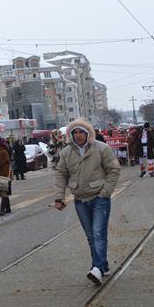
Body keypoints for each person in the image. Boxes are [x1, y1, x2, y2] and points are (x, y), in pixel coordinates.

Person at [54, 119, 120, 285]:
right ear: (71, 134)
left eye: (81, 132)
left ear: (88, 133)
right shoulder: (67, 152)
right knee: (91, 236)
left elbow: (114, 169)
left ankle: (96, 268)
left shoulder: (101, 148)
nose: (78, 136)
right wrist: (59, 197)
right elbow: (61, 174)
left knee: (98, 233)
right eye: (75, 132)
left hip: (99, 199)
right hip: (80, 200)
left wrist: (105, 193)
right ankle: (103, 266)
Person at [0, 138, 12, 216]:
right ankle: (8, 208)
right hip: (5, 174)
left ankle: (2, 210)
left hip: (3, 175)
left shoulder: (1, 152)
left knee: (3, 192)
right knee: (4, 192)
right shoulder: (2, 151)